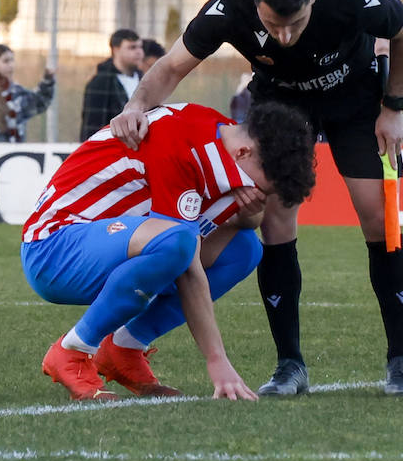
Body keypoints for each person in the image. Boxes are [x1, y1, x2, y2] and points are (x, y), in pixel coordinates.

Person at [111, 0, 403, 396]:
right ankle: (289, 367)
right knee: (275, 223)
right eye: (273, 24)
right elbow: (173, 66)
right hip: (280, 103)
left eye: (294, 23)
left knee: (379, 219)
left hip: (355, 99)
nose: (284, 36)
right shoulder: (231, 3)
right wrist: (137, 106)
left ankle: (400, 363)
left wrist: (393, 106)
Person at [24, 101, 315, 401]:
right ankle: (72, 350)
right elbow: (184, 257)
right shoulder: (183, 145)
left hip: (107, 243)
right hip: (53, 249)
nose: (257, 193)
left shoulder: (227, 140)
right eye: (258, 186)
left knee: (244, 251)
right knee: (176, 242)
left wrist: (249, 208)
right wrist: (217, 360)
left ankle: (125, 347)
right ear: (244, 153)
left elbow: (246, 221)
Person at [0, 44, 55, 143]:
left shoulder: (15, 92)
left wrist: (47, 81)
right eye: (6, 61)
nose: (11, 65)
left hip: (14, 155)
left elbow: (38, 103)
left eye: (12, 60)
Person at [78, 29, 144, 141]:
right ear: (116, 50)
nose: (139, 52)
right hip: (113, 150)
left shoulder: (144, 79)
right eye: (132, 47)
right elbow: (92, 127)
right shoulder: (100, 83)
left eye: (140, 47)